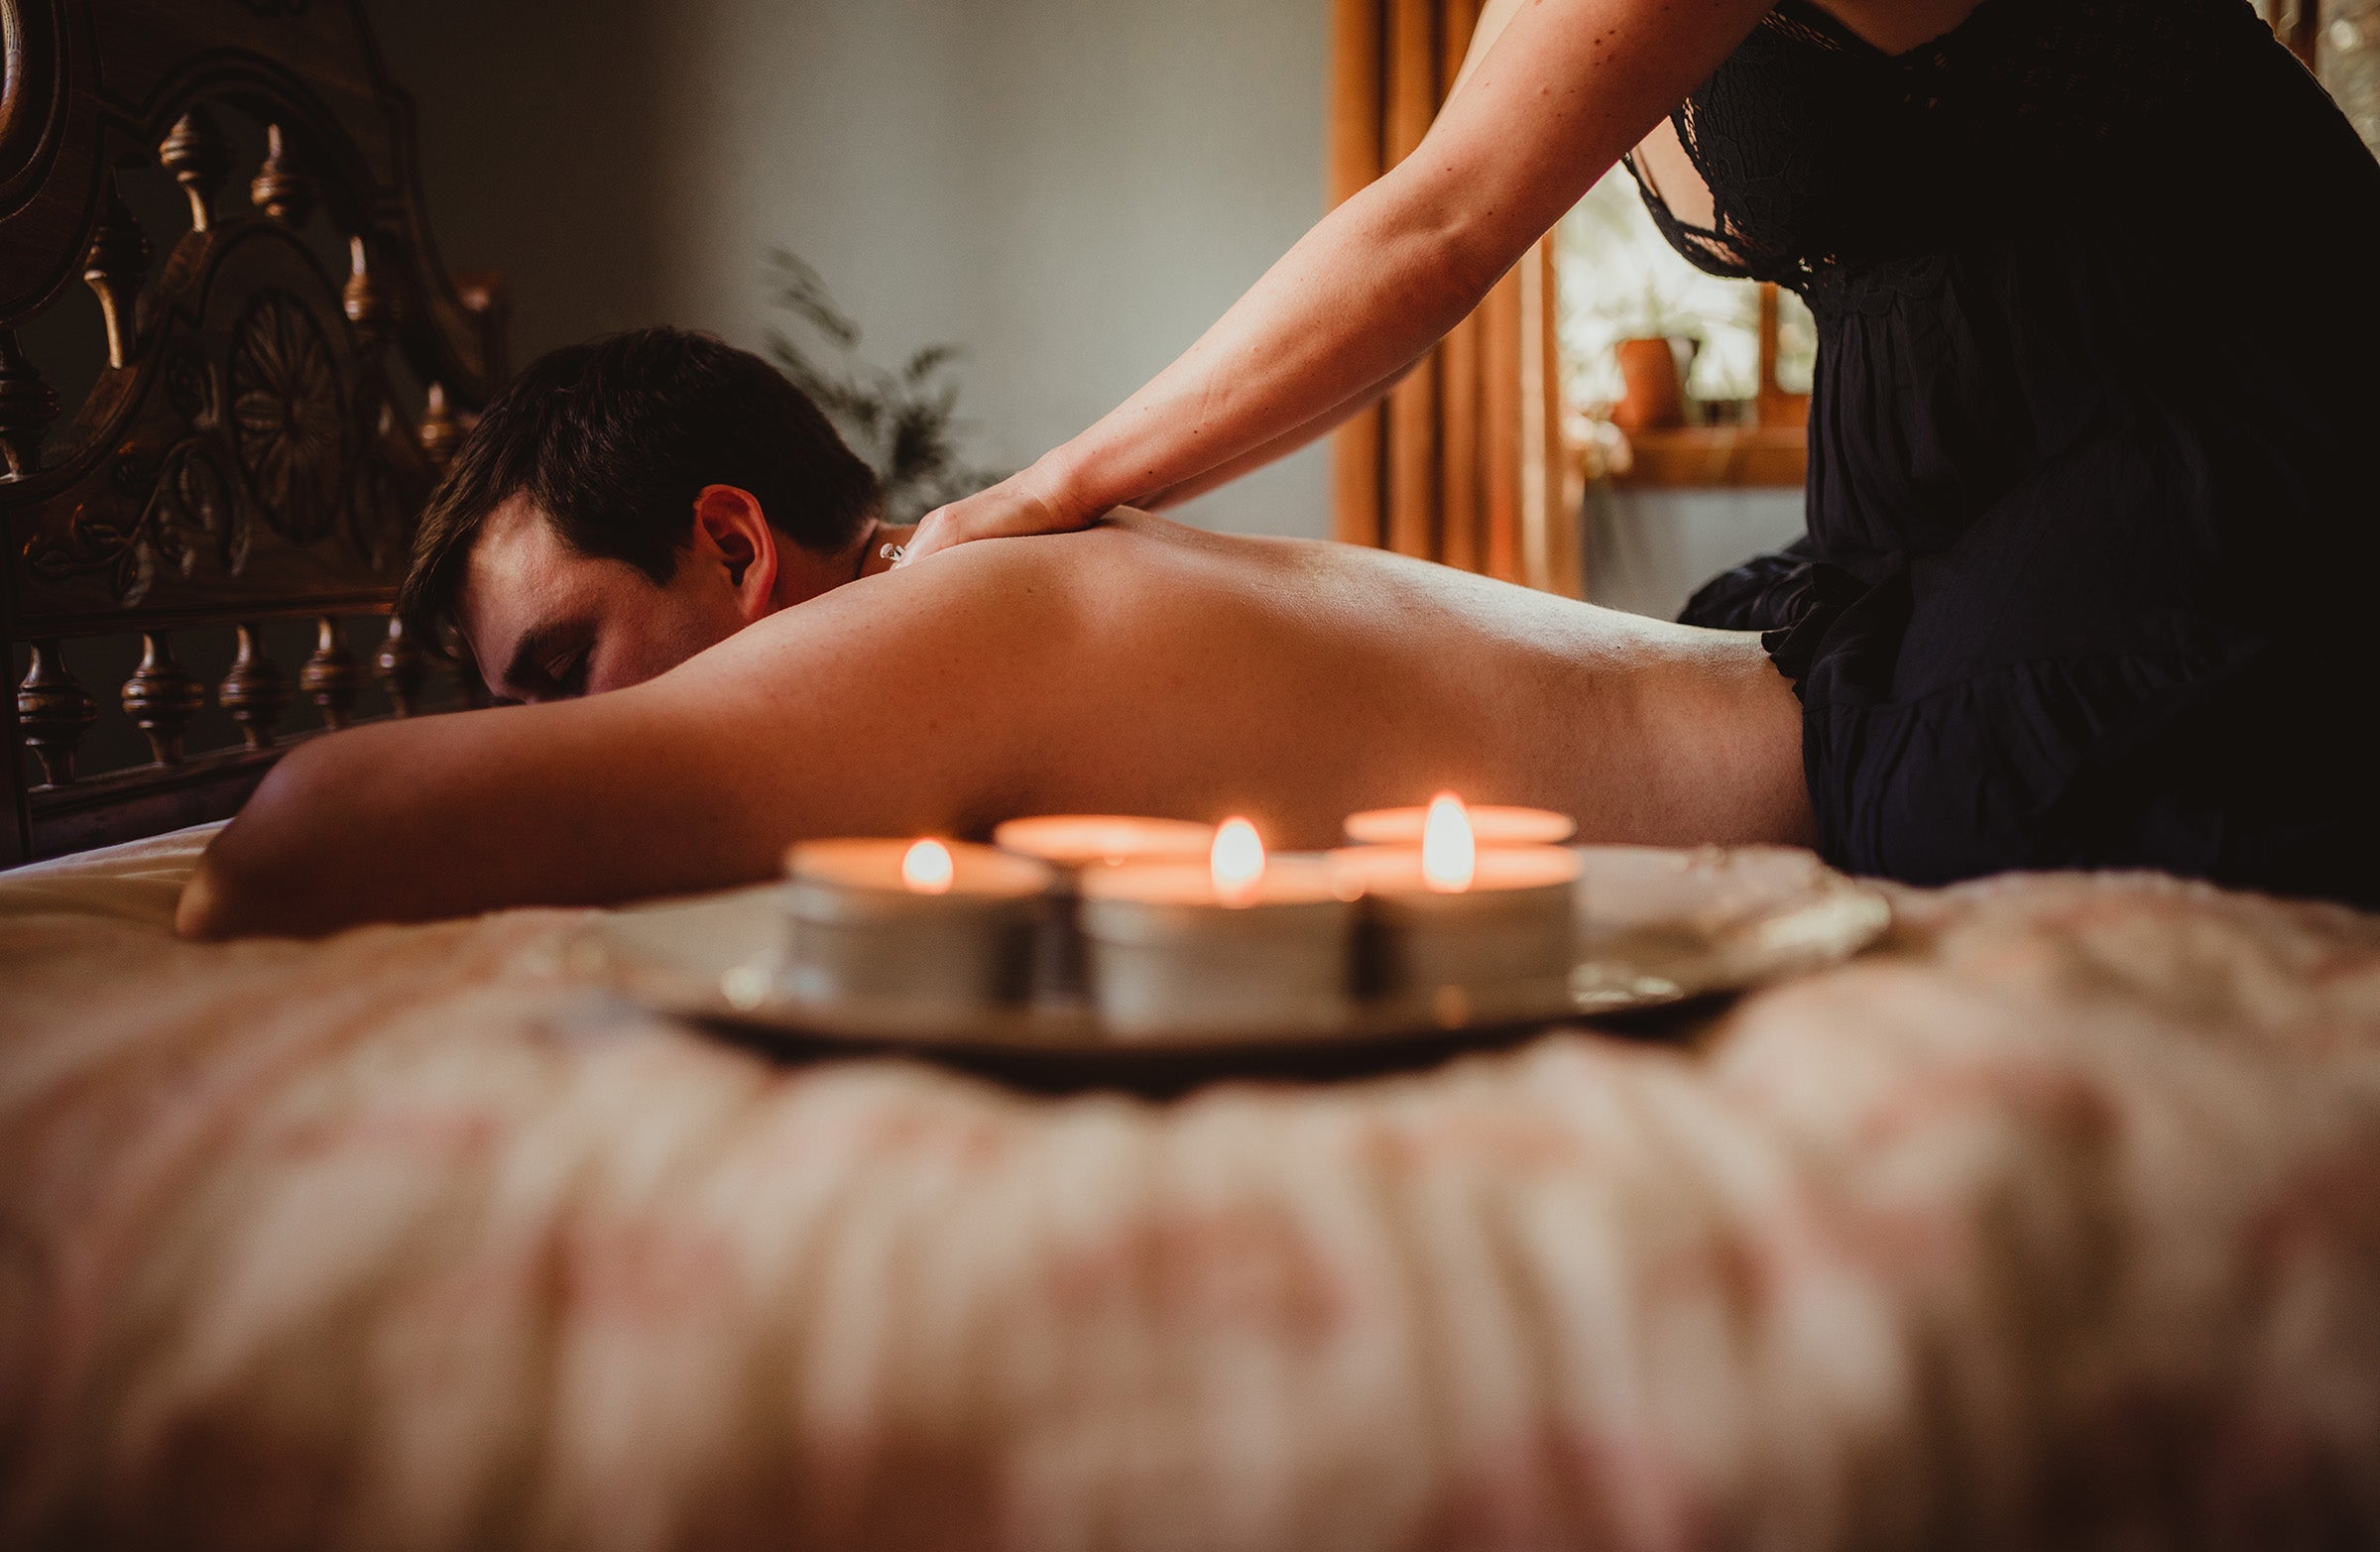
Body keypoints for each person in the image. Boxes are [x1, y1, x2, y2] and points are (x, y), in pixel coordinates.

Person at [906, 0, 2380, 907]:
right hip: (2016, 477)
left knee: (1958, 795)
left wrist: (1047, 488)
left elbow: (1434, 231)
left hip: (2232, 435)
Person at [175, 330, 1807, 940]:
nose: (557, 739)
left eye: (562, 672)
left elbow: (292, 843)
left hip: (1877, 738)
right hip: (1787, 666)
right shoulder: (1011, 579)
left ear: (736, 544)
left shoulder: (944, 615)